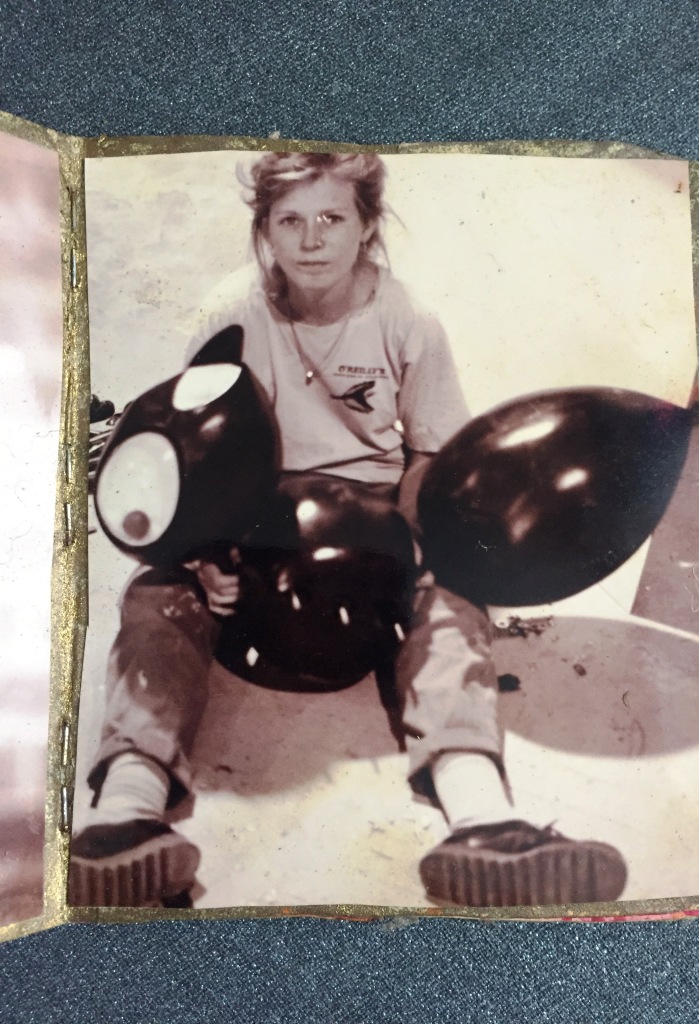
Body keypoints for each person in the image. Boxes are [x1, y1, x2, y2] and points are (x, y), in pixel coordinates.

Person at [70, 152, 627, 909]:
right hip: (255, 504)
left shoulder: (407, 319)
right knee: (155, 591)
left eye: (332, 218)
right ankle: (125, 817)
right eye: (290, 221)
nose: (311, 241)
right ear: (264, 228)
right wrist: (204, 555)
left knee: (453, 596)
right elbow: (190, 456)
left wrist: (416, 541)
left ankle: (482, 816)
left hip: (371, 505)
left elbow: (432, 451)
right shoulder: (226, 314)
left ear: (367, 224)